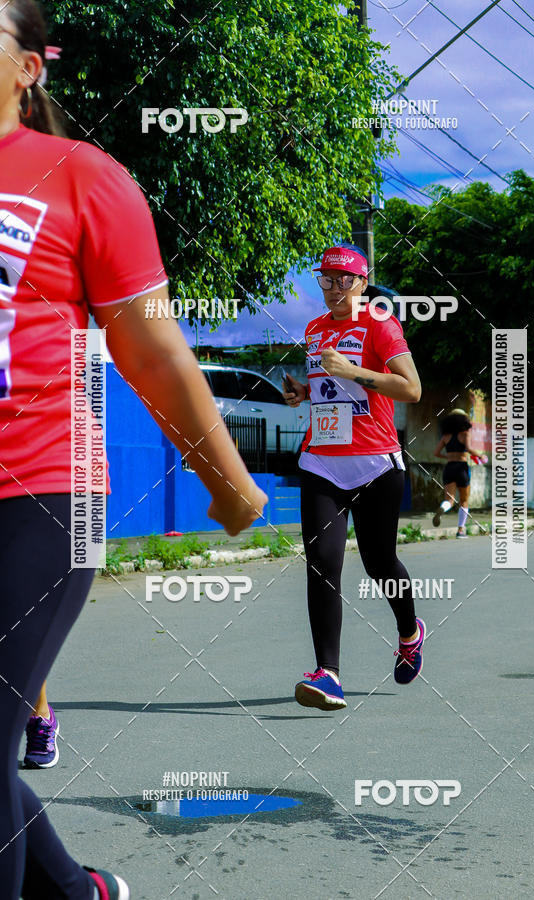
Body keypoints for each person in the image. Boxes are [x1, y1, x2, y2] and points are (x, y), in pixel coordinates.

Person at [0, 3, 267, 898]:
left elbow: (150, 348)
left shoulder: (82, 177)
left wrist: (225, 482)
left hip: (40, 489)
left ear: (30, 68)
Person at [282, 243, 424, 711]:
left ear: (363, 283)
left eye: (344, 280)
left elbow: (411, 389)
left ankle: (409, 632)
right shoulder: (314, 328)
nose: (335, 288)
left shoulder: (380, 324)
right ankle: (329, 674)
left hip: (374, 465)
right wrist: (307, 392)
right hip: (322, 461)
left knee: (379, 564)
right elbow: (332, 386)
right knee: (322, 562)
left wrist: (353, 370)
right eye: (327, 279)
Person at [431, 409, 486, 538]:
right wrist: (481, 455)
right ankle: (461, 530)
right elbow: (468, 448)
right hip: (462, 468)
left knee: (449, 500)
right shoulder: (465, 434)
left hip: (449, 468)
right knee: (464, 501)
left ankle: (443, 509)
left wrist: (448, 457)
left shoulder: (446, 436)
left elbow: (436, 453)